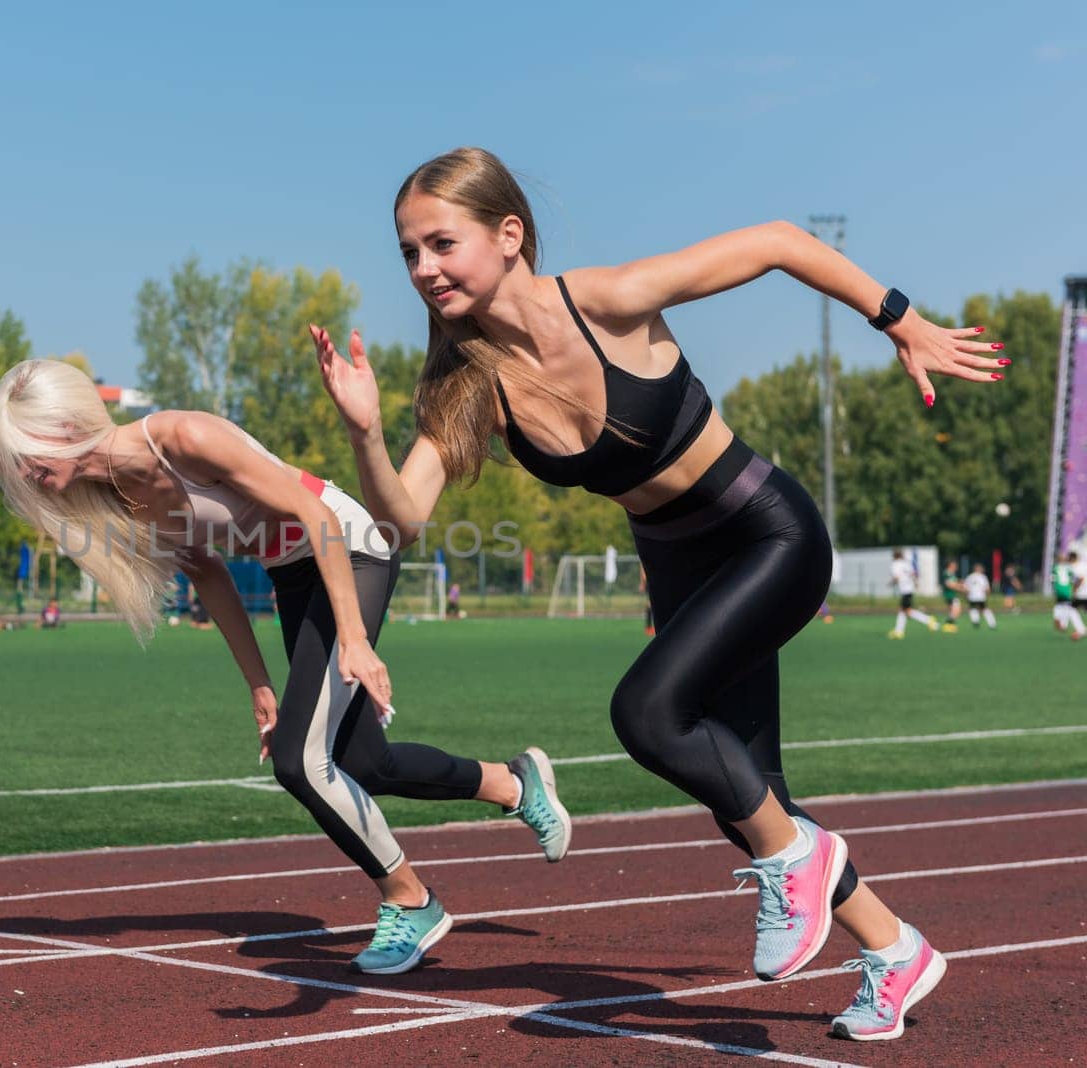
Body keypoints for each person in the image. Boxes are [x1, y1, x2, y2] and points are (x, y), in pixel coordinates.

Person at [311, 147, 998, 1038]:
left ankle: (804, 863)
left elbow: (781, 243)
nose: (423, 269)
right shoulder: (467, 384)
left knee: (648, 713)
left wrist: (896, 318)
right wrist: (364, 433)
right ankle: (896, 951)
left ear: (509, 234)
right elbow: (401, 519)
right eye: (408, 253)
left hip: (767, 536)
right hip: (679, 566)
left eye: (441, 243)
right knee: (750, 798)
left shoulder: (608, 299)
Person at [0, 358, 573, 974]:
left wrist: (353, 636)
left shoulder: (182, 439)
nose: (24, 472)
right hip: (294, 573)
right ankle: (513, 782)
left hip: (348, 546)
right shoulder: (120, 494)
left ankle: (412, 898)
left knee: (301, 761)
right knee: (364, 763)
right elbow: (209, 574)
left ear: (62, 426)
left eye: (25, 453)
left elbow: (314, 514)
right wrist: (258, 684)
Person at [888, 549, 939, 640]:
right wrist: (915, 583)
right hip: (909, 588)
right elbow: (914, 574)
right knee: (903, 610)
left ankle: (928, 619)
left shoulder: (895, 564)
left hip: (904, 589)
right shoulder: (906, 563)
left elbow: (896, 577)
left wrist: (891, 583)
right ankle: (899, 631)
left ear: (894, 556)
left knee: (906, 611)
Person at [963, 563, 996, 631]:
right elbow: (987, 588)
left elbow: (965, 587)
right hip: (980, 596)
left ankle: (975, 621)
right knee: (984, 609)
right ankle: (992, 623)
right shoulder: (983, 577)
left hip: (972, 596)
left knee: (973, 608)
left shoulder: (969, 576)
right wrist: (988, 594)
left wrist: (966, 595)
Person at [938, 560, 962, 632]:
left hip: (952, 594)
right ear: (950, 565)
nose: (956, 567)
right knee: (956, 611)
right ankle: (948, 624)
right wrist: (960, 588)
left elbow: (953, 582)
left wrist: (959, 582)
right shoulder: (947, 573)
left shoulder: (951, 573)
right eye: (954, 565)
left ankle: (950, 625)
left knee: (954, 611)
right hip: (950, 595)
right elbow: (949, 584)